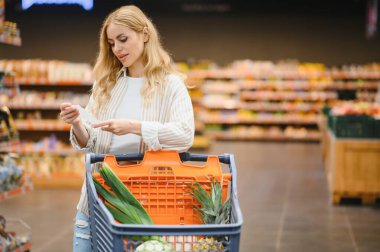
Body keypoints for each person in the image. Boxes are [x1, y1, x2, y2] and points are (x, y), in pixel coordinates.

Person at [59, 5, 194, 251]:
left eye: (123, 39)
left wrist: (134, 127)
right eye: (112, 43)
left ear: (144, 34)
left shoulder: (171, 86)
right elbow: (90, 144)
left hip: (145, 210)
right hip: (96, 205)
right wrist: (78, 122)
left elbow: (184, 136)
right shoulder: (106, 85)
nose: (117, 49)